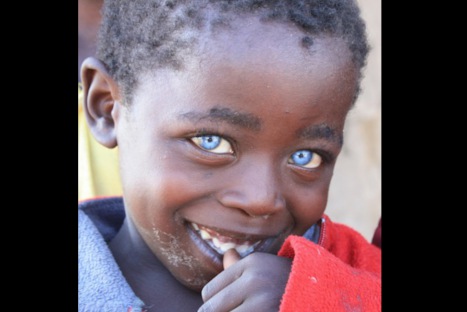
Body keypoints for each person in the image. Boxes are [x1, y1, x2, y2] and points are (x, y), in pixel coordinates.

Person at [78, 0, 381, 311]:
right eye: (211, 142)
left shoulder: (356, 270)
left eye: (306, 157)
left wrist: (315, 297)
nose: (260, 199)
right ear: (106, 108)